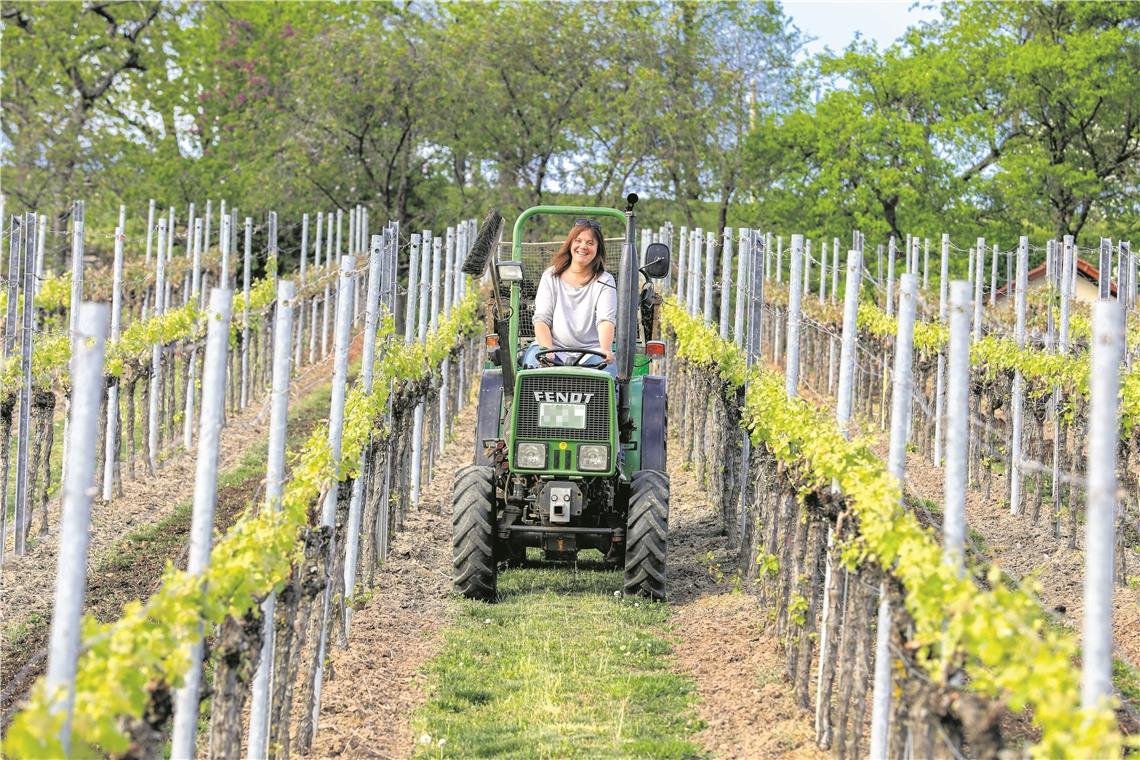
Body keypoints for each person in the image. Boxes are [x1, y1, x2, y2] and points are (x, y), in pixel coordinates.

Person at [531, 218, 617, 367]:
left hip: (591, 352)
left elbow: (605, 320)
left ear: (598, 249)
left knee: (606, 374)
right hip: (554, 347)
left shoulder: (605, 281)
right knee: (531, 366)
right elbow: (542, 319)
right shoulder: (551, 276)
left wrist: (605, 349)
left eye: (590, 243)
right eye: (578, 240)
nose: (583, 246)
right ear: (570, 243)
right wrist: (547, 349)